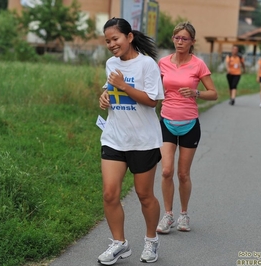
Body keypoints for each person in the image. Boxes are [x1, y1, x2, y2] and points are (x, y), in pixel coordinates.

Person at [97, 17, 164, 265]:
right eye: (107, 41)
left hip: (143, 140)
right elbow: (111, 89)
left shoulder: (147, 65)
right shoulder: (111, 63)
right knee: (109, 193)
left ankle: (151, 240)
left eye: (115, 39)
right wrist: (105, 97)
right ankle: (119, 243)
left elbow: (151, 101)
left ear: (129, 37)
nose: (111, 44)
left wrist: (123, 85)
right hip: (115, 137)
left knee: (144, 195)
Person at [156, 22, 218, 235]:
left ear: (192, 42)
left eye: (184, 38)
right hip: (166, 121)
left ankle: (183, 213)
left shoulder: (198, 65)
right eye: (177, 38)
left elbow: (214, 93)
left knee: (183, 174)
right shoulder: (162, 63)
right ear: (173, 39)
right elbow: (151, 88)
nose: (180, 41)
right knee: (166, 171)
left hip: (190, 123)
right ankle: (168, 215)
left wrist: (196, 93)